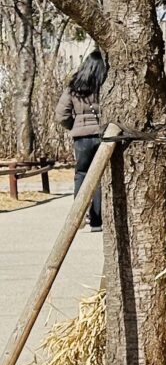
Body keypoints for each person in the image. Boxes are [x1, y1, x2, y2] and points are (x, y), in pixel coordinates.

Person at [56, 49, 107, 232]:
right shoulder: (105, 84)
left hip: (81, 138)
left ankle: (78, 217)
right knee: (99, 176)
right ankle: (97, 221)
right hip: (104, 136)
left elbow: (61, 115)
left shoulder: (74, 87)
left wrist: (75, 126)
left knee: (82, 174)